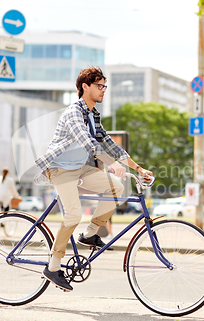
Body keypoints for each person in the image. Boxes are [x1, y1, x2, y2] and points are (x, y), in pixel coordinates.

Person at [35, 66, 153, 292]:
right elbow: (89, 143)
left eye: (104, 86)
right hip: (60, 168)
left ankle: (89, 234)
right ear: (84, 87)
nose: (103, 90)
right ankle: (53, 266)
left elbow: (109, 143)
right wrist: (112, 165)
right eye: (99, 86)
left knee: (117, 188)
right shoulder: (73, 112)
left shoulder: (93, 115)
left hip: (80, 168)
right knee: (73, 214)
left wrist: (138, 168)